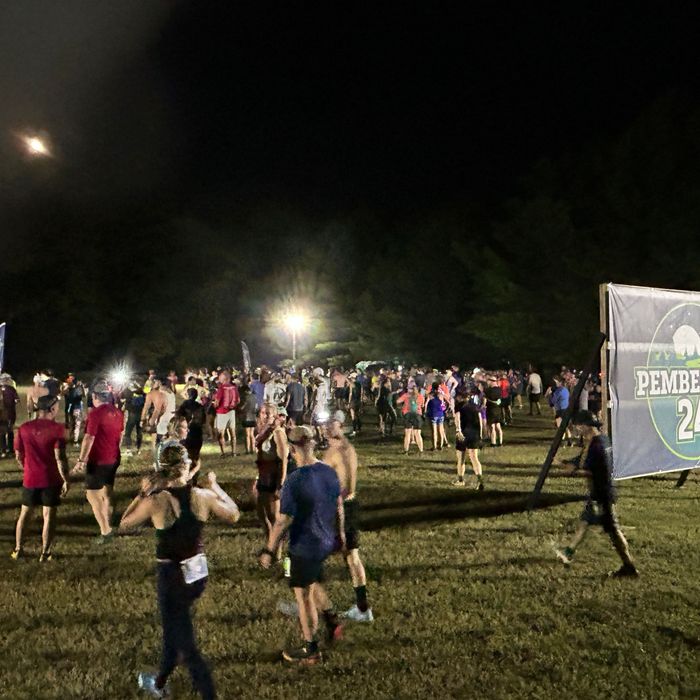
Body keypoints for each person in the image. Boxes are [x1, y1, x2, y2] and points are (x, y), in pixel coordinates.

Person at [119, 441, 240, 699]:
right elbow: (234, 515)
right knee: (173, 629)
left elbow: (124, 525)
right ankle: (160, 681)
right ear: (186, 467)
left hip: (171, 576)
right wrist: (216, 486)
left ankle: (209, 694)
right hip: (197, 574)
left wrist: (141, 494)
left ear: (160, 469)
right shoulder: (203, 497)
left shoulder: (157, 501)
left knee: (187, 647)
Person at [259, 425, 344, 665]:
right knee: (312, 579)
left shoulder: (294, 480)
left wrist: (269, 549)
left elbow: (282, 520)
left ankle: (311, 650)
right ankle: (331, 618)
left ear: (291, 448)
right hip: (325, 541)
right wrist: (340, 537)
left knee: (303, 596)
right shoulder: (328, 472)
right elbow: (338, 506)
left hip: (303, 545)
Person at [555, 411, 638, 577]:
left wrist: (566, 468)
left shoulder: (596, 446)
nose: (577, 428)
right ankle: (569, 552)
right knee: (585, 521)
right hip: (599, 492)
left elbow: (585, 469)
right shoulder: (602, 440)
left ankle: (629, 567)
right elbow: (581, 461)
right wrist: (565, 463)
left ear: (585, 426)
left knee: (613, 530)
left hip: (602, 495)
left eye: (578, 425)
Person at [324, 413, 373, 622]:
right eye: (325, 424)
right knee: (350, 557)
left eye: (331, 424)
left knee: (314, 556)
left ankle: (312, 602)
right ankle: (362, 608)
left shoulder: (341, 451)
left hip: (342, 508)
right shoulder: (338, 449)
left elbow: (346, 486)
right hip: (341, 506)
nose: (327, 428)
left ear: (341, 426)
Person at [11, 395, 70, 561]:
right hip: (51, 479)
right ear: (52, 408)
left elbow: (18, 455)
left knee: (25, 514)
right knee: (48, 515)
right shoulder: (58, 429)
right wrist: (66, 478)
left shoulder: (24, 428)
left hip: (30, 478)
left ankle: (18, 549)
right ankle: (45, 552)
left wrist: (27, 468)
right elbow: (60, 458)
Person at [72, 380, 124, 541]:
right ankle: (109, 522)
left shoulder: (95, 413)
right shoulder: (118, 412)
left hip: (99, 460)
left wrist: (81, 460)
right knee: (107, 492)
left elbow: (89, 438)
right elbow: (120, 435)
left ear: (95, 396)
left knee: (93, 496)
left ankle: (106, 531)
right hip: (114, 457)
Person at [254, 404, 289, 557]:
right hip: (262, 476)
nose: (266, 416)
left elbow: (284, 460)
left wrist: (280, 483)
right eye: (263, 413)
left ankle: (278, 553)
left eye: (269, 414)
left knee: (275, 518)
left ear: (275, 416)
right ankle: (270, 546)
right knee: (262, 515)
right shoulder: (264, 431)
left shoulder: (278, 433)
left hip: (273, 478)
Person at [453, 391, 484, 489]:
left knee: (460, 458)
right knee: (474, 458)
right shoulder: (475, 406)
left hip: (464, 433)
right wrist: (480, 434)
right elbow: (480, 420)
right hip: (474, 433)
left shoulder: (459, 406)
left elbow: (457, 418)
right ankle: (480, 481)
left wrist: (458, 430)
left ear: (460, 397)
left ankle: (461, 480)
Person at [213, 370, 240, 457]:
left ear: (225, 378)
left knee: (221, 433)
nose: (219, 378)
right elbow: (238, 400)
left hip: (221, 412)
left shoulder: (221, 388)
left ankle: (223, 453)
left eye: (220, 376)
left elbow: (217, 402)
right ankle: (234, 452)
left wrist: (214, 405)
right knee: (233, 433)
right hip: (232, 412)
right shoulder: (234, 387)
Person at [396, 385, 425, 454]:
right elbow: (422, 405)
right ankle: (421, 451)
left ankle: (406, 451)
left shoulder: (406, 395)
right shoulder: (421, 396)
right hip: (417, 415)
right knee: (418, 434)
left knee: (407, 433)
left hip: (408, 415)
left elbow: (398, 401)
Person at [122, 381, 145, 456]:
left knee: (128, 432)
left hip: (132, 414)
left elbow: (121, 398)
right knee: (139, 432)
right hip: (141, 414)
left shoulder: (127, 391)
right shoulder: (142, 392)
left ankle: (128, 450)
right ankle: (139, 449)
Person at [0, 373, 19, 458]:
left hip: (1, 413)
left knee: (2, 432)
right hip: (10, 413)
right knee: (10, 430)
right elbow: (17, 400)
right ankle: (11, 450)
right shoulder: (11, 389)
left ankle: (3, 450)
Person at [551, 375, 572, 446]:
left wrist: (551, 395)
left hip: (560, 410)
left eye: (556, 382)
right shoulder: (566, 390)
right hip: (566, 409)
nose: (555, 384)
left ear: (560, 382)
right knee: (565, 426)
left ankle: (562, 442)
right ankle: (569, 441)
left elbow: (553, 401)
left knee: (560, 427)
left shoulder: (558, 391)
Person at [484, 376, 504, 447]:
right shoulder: (499, 389)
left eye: (488, 381)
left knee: (492, 427)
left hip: (491, 409)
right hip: (498, 409)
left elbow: (485, 400)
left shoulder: (488, 390)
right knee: (498, 426)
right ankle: (501, 442)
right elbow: (500, 400)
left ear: (491, 381)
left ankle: (493, 442)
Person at [239, 385, 258, 454]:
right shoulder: (255, 397)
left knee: (247, 434)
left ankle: (247, 450)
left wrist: (240, 408)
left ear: (246, 391)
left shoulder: (246, 397)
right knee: (252, 434)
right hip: (253, 417)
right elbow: (256, 408)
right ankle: (253, 449)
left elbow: (243, 407)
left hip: (247, 417)